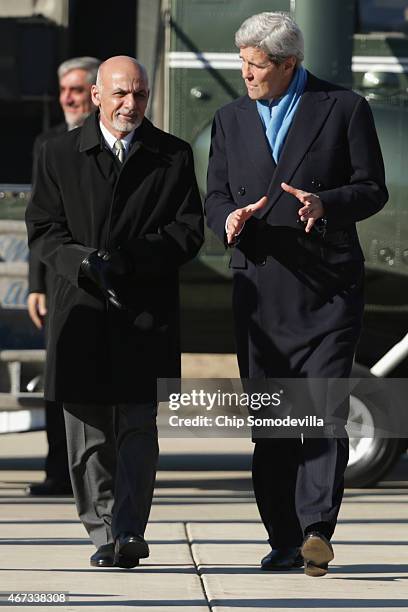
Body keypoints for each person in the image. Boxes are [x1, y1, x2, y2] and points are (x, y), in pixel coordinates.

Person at [205, 12, 387, 577]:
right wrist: (228, 218)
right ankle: (282, 538)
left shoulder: (344, 108)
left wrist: (325, 204)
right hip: (260, 290)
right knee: (274, 425)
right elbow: (211, 195)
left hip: (327, 289)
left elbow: (372, 187)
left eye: (256, 65)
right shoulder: (229, 118)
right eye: (241, 62)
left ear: (288, 64)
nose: (246, 74)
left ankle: (316, 530)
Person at [25, 55, 203, 568]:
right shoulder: (58, 153)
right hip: (80, 311)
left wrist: (129, 260)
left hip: (144, 312)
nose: (132, 104)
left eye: (141, 95)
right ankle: (103, 531)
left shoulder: (172, 155)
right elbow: (44, 228)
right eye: (122, 94)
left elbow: (187, 231)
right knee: (88, 436)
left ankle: (129, 530)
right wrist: (84, 262)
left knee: (138, 430)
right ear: (98, 95)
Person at [26, 56, 101, 497]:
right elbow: (41, 221)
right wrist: (37, 285)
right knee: (59, 377)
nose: (68, 99)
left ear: (94, 93)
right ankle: (60, 472)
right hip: (57, 278)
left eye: (76, 90)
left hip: (102, 272)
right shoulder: (47, 143)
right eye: (63, 91)